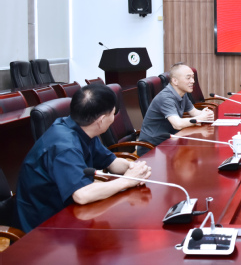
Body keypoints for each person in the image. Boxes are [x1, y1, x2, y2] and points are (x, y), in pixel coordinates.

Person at [15, 84, 152, 233]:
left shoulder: (83, 128)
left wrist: (134, 169)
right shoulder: (64, 146)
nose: (114, 118)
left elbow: (111, 162)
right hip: (45, 225)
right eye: (113, 113)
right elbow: (82, 195)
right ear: (101, 120)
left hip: (70, 210)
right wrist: (127, 181)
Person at [138, 63, 214, 155]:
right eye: (188, 78)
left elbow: (194, 112)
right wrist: (201, 118)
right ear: (175, 81)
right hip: (152, 148)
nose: (193, 81)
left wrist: (206, 113)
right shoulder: (166, 97)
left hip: (170, 141)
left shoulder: (182, 93)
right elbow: (177, 124)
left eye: (193, 77)